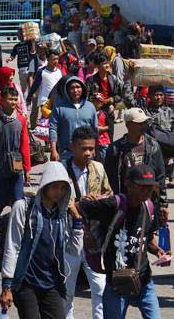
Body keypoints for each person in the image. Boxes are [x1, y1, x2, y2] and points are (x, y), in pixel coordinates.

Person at [79, 165, 167, 319]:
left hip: (144, 281)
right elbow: (80, 206)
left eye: (149, 187)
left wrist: (157, 250)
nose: (146, 191)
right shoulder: (112, 205)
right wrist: (87, 235)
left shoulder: (150, 207)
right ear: (128, 184)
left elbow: (147, 238)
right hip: (116, 284)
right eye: (141, 187)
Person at [0, 162, 84, 319]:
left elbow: (74, 250)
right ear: (44, 185)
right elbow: (13, 246)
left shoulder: (62, 214)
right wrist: (7, 286)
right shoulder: (23, 207)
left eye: (62, 188)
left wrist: (77, 220)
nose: (58, 192)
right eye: (54, 186)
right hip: (26, 283)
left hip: (52, 284)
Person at [63, 126, 113, 319]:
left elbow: (109, 195)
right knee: (67, 290)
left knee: (100, 288)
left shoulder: (98, 168)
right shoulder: (61, 169)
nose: (88, 153)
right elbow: (57, 200)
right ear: (72, 147)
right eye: (83, 148)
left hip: (94, 238)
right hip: (69, 238)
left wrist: (98, 199)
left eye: (92, 149)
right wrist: (78, 204)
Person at [0, 87, 32, 238]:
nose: (14, 102)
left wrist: (27, 169)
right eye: (10, 99)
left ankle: (17, 230)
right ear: (2, 101)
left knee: (18, 201)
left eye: (16, 99)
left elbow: (24, 145)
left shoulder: (21, 120)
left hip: (17, 168)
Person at [104, 108, 168, 226]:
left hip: (148, 202)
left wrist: (163, 204)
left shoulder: (153, 146)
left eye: (144, 122)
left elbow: (160, 176)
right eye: (139, 123)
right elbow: (108, 178)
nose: (143, 126)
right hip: (124, 202)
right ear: (128, 125)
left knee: (146, 237)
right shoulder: (115, 149)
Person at [49, 76, 97, 162]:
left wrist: (96, 150)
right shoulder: (59, 106)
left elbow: (95, 130)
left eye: (78, 87)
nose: (75, 90)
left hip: (86, 153)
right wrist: (53, 149)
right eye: (72, 88)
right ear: (67, 90)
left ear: (83, 89)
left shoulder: (90, 107)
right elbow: (53, 128)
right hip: (66, 154)